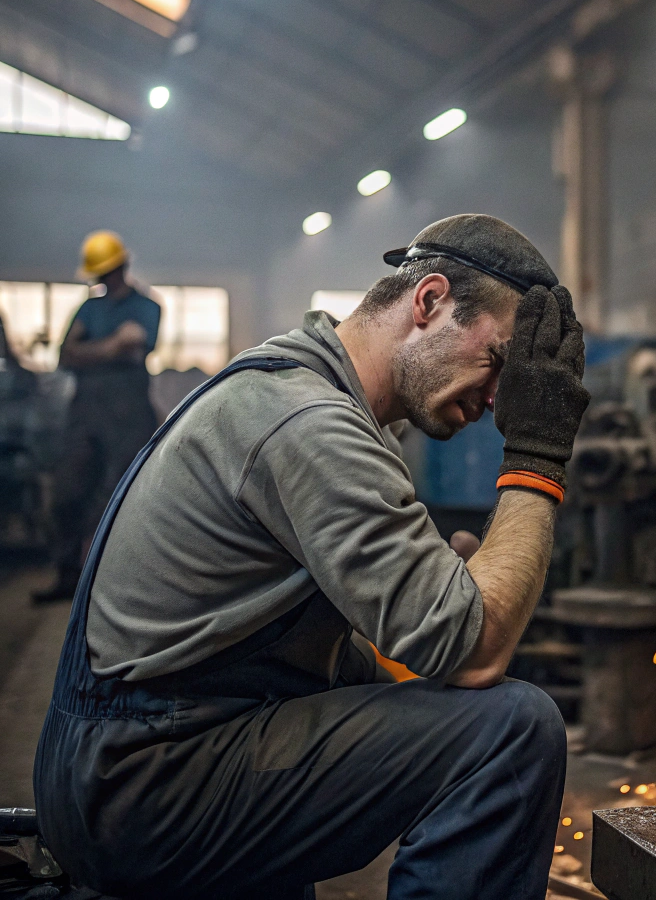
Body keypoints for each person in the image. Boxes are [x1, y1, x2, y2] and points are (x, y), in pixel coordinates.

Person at [34, 214, 590, 900]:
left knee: (403, 691)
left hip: (140, 755)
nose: (501, 398)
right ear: (429, 302)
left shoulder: (313, 393)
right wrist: (537, 451)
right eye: (502, 362)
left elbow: (358, 648)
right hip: (139, 782)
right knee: (510, 730)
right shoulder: (308, 421)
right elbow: (475, 656)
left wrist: (442, 627)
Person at [33, 231, 160, 604]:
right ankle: (67, 577)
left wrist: (86, 350)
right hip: (84, 414)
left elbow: (133, 343)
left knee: (121, 497)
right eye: (99, 275)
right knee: (67, 492)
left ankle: (115, 588)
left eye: (108, 272)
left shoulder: (146, 307)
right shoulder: (89, 308)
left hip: (128, 414)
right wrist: (112, 347)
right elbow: (65, 355)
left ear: (123, 266)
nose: (104, 280)